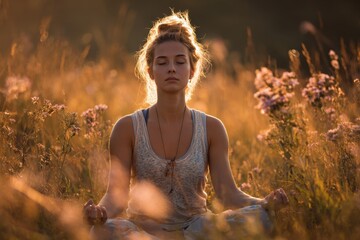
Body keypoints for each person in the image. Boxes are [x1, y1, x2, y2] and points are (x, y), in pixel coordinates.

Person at [83, 11, 289, 240]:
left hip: (197, 230)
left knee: (262, 218)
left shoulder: (211, 128)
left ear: (192, 70)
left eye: (180, 61)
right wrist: (99, 214)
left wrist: (264, 203)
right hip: (144, 232)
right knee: (102, 231)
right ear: (151, 71)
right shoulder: (128, 128)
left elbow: (228, 194)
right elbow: (116, 196)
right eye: (162, 62)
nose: (171, 68)